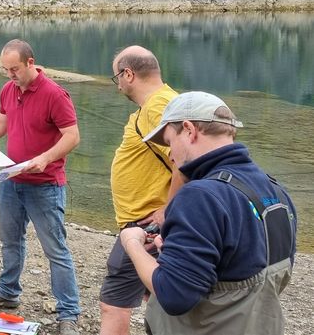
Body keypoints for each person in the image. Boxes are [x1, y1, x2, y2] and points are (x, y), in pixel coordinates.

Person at [121, 91, 297, 335]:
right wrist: (177, 250)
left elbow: (174, 295)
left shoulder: (199, 197)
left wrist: (133, 245)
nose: (171, 154)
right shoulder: (276, 190)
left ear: (189, 129)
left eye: (171, 142)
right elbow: (246, 264)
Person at [0, 39, 82, 335]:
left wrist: (46, 157)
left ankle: (69, 313)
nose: (10, 74)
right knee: (10, 241)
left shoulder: (55, 94)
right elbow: (2, 123)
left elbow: (72, 136)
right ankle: (8, 291)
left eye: (14, 69)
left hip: (45, 184)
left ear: (30, 63)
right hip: (11, 180)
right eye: (5, 70)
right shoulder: (8, 90)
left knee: (56, 249)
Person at [100, 45, 183, 335]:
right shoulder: (155, 105)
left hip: (147, 224)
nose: (118, 85)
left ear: (128, 74)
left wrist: (166, 212)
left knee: (114, 302)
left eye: (117, 78)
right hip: (143, 222)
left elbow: (185, 161)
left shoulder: (159, 106)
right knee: (160, 301)